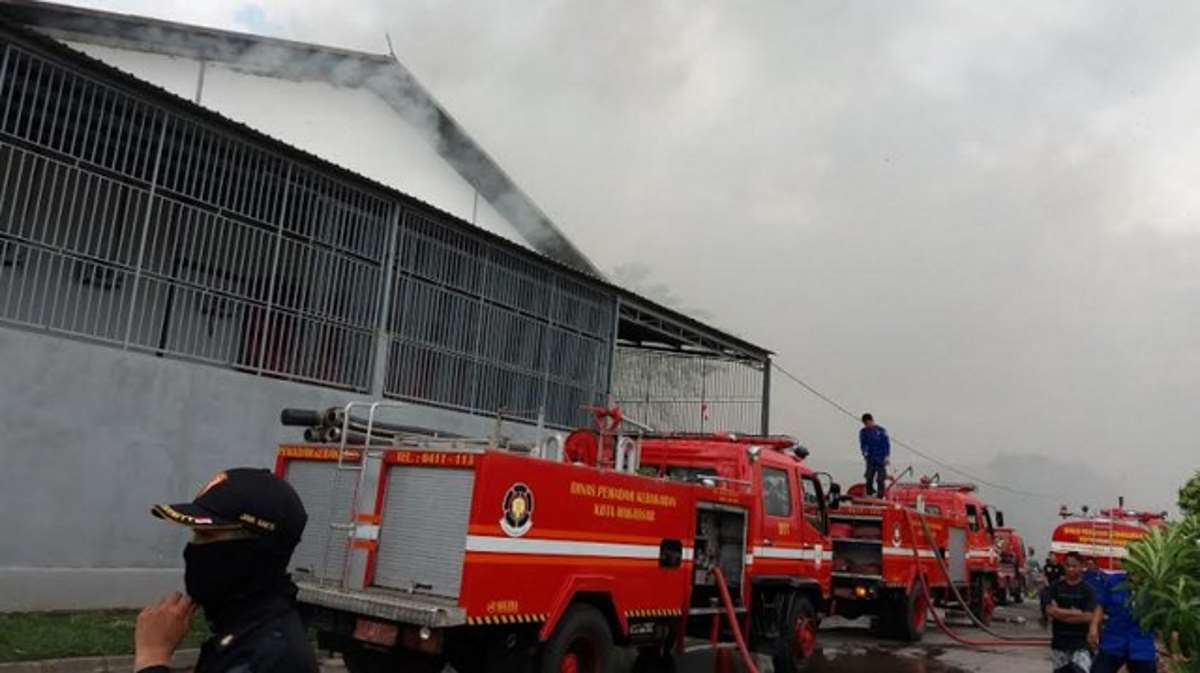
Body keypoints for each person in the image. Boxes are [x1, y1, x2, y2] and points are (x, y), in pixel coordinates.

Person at [133, 468, 318, 673]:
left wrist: (152, 657)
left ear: (254, 552)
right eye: (196, 535)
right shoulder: (244, 632)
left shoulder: (270, 656)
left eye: (207, 537)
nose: (193, 550)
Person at [1087, 568, 1157, 673]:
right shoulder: (1114, 581)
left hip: (1142, 643)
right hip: (1114, 639)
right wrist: (1093, 627)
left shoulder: (1154, 585)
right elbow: (1101, 604)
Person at [1044, 552, 1101, 673]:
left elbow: (1088, 616)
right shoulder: (1054, 588)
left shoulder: (1088, 590)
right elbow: (1050, 611)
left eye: (1074, 566)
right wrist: (1076, 612)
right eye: (1067, 565)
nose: (1070, 569)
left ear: (1081, 567)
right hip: (1060, 644)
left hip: (1081, 645)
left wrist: (1059, 612)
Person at [858, 413, 890, 497]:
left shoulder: (881, 431)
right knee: (869, 477)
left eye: (867, 423)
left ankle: (880, 496)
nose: (867, 425)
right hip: (870, 458)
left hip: (881, 458)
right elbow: (862, 444)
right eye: (865, 424)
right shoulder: (863, 432)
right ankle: (870, 493)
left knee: (880, 479)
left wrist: (887, 456)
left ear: (871, 421)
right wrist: (864, 452)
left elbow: (886, 444)